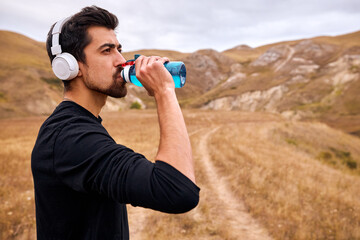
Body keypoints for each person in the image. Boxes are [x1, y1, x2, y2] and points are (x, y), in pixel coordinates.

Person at [31, 5, 199, 240]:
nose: (121, 60)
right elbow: (177, 190)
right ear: (70, 66)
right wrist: (164, 92)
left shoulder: (82, 126)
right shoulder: (69, 138)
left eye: (119, 49)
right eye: (107, 50)